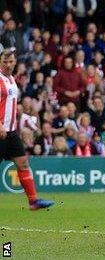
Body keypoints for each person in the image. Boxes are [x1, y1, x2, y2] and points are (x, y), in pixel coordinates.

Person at [0, 48, 54, 210]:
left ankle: (33, 201)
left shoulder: (11, 79)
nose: (8, 65)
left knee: (23, 163)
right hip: (0, 130)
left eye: (11, 61)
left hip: (11, 132)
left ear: (15, 62)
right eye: (5, 61)